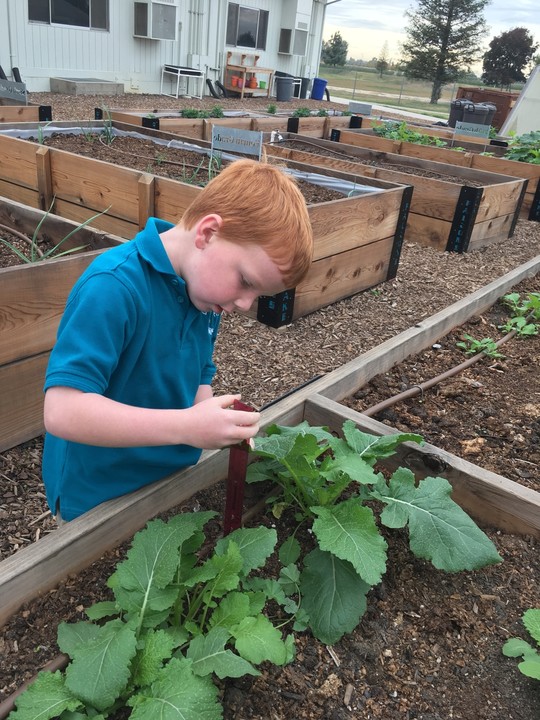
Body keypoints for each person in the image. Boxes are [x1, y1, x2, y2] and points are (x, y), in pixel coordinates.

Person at [42, 158, 314, 521]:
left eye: (258, 295)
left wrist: (211, 418)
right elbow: (62, 411)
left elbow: (199, 374)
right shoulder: (113, 287)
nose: (245, 304)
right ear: (208, 233)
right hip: (99, 495)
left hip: (168, 478)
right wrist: (187, 426)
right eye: (246, 282)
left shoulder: (204, 294)